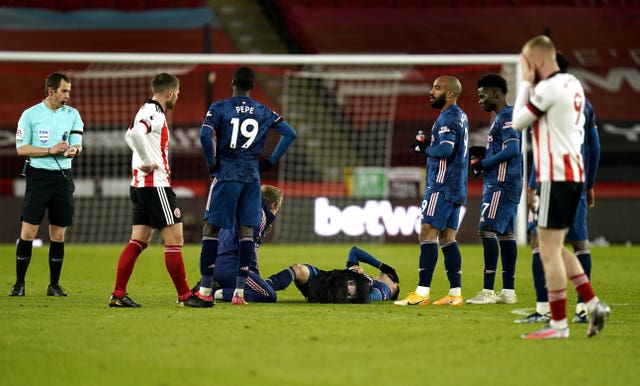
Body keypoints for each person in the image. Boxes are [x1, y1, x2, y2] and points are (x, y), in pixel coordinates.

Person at [512, 35, 610, 339]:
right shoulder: (574, 84)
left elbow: (518, 122)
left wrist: (526, 83)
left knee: (546, 251)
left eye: (526, 63)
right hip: (574, 176)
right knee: (553, 246)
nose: (525, 69)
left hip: (555, 176)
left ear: (538, 61)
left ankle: (557, 324)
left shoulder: (548, 88)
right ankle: (593, 304)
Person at [194, 66, 296, 305]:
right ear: (252, 87)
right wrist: (270, 162)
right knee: (246, 232)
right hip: (252, 176)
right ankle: (239, 293)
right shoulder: (263, 110)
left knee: (211, 229)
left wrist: (212, 162)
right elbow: (289, 133)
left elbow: (203, 135)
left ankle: (205, 290)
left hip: (227, 173)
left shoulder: (220, 107)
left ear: (233, 83)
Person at [109, 73, 210, 308]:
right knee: (175, 240)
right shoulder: (154, 112)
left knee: (139, 240)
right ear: (170, 93)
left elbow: (128, 134)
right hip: (156, 186)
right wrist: (146, 159)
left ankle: (118, 294)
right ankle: (185, 296)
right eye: (178, 93)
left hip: (140, 187)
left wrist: (142, 161)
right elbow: (134, 134)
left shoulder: (145, 110)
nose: (178, 97)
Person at [395, 75, 469, 307]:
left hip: (441, 184)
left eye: (437, 88)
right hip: (457, 186)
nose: (431, 91)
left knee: (427, 232)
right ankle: (455, 294)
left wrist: (424, 147)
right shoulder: (461, 115)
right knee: (447, 238)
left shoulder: (448, 117)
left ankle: (421, 293)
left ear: (450, 93)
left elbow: (446, 150)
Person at [9, 72, 83, 297]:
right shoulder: (31, 115)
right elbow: (21, 149)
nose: (68, 95)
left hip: (63, 178)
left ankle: (54, 285)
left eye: (69, 90)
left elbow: (78, 143)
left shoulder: (72, 115)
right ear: (51, 91)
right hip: (38, 177)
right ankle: (19, 283)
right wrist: (49, 150)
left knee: (58, 233)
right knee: (28, 231)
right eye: (64, 91)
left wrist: (74, 150)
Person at [466, 74, 523, 305]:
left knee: (486, 230)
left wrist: (484, 163)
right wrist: (486, 156)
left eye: (482, 95)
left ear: (496, 93)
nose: (479, 100)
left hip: (502, 185)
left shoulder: (506, 117)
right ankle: (508, 291)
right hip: (507, 183)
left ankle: (488, 291)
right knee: (506, 234)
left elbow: (513, 150)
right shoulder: (503, 118)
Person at [196, 184, 283, 303]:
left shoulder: (240, 206)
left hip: (211, 265)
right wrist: (255, 275)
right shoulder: (260, 215)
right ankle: (216, 292)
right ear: (274, 205)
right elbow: (248, 249)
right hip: (230, 267)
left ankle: (209, 285)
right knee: (268, 294)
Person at [265, 246, 400, 303]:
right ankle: (264, 287)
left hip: (328, 291)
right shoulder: (367, 278)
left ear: (393, 288)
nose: (388, 275)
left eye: (392, 279)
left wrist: (356, 277)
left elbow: (364, 298)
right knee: (297, 268)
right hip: (325, 277)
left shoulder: (385, 290)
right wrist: (383, 266)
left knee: (299, 270)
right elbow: (354, 251)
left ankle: (263, 290)